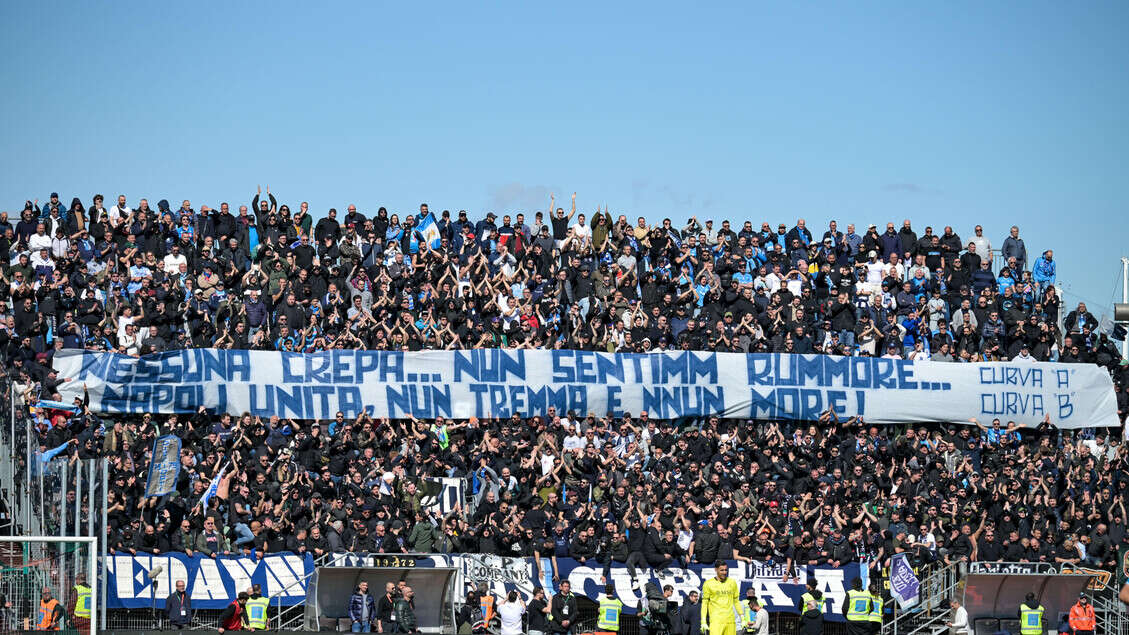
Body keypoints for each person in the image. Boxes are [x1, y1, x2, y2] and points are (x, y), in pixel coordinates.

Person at [701, 561, 740, 635]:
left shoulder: (732, 582)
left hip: (730, 621)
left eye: (726, 570)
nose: (724, 572)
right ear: (716, 570)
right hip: (716, 621)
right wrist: (703, 620)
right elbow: (704, 603)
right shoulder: (708, 583)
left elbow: (736, 601)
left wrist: (742, 616)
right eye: (722, 570)